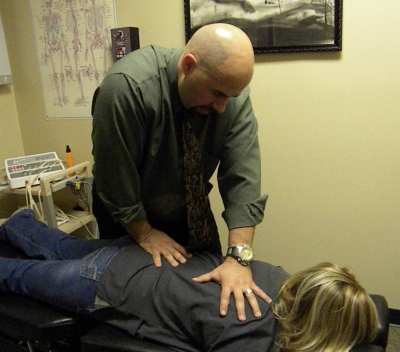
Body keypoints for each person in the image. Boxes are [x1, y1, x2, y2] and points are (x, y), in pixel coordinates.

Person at [0, 209, 378, 352]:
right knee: (18, 277)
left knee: (62, 246)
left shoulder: (274, 277)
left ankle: (19, 224)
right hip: (108, 284)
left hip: (144, 253)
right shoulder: (252, 337)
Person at [91, 22, 268, 321]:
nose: (223, 107)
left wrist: (239, 257)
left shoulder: (231, 96)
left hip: (190, 213)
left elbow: (243, 179)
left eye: (231, 96)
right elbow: (114, 178)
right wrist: (145, 234)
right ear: (188, 66)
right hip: (129, 217)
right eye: (216, 94)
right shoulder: (127, 87)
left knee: (207, 295)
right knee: (138, 306)